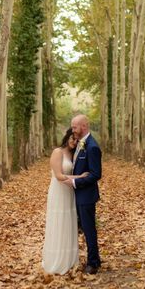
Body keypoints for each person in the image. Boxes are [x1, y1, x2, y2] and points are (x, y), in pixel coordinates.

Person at [41, 128, 87, 274]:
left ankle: (69, 260)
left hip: (69, 192)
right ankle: (56, 260)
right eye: (72, 138)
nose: (74, 142)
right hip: (59, 191)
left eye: (76, 140)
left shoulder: (74, 154)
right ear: (67, 137)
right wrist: (81, 178)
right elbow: (59, 176)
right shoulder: (57, 152)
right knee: (59, 222)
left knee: (69, 223)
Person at [70, 114, 102, 274]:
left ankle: (93, 263)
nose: (72, 130)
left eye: (74, 127)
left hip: (86, 196)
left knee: (89, 229)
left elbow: (96, 174)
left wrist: (76, 182)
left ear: (83, 126)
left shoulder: (92, 146)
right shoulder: (79, 144)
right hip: (77, 195)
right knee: (82, 228)